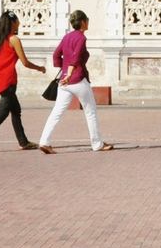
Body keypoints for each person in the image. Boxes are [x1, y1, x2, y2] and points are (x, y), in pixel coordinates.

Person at [36, 10, 113, 153]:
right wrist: (70, 73)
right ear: (83, 22)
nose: (88, 22)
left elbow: (56, 55)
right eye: (87, 19)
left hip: (64, 82)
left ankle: (44, 141)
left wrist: (64, 69)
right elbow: (76, 57)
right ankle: (97, 144)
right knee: (90, 112)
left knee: (57, 112)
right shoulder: (81, 38)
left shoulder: (67, 37)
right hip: (77, 79)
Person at [0, 12, 45, 151]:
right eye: (17, 20)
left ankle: (23, 142)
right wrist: (40, 68)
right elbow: (25, 62)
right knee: (2, 113)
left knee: (15, 110)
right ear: (12, 23)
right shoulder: (14, 39)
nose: (19, 22)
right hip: (7, 80)